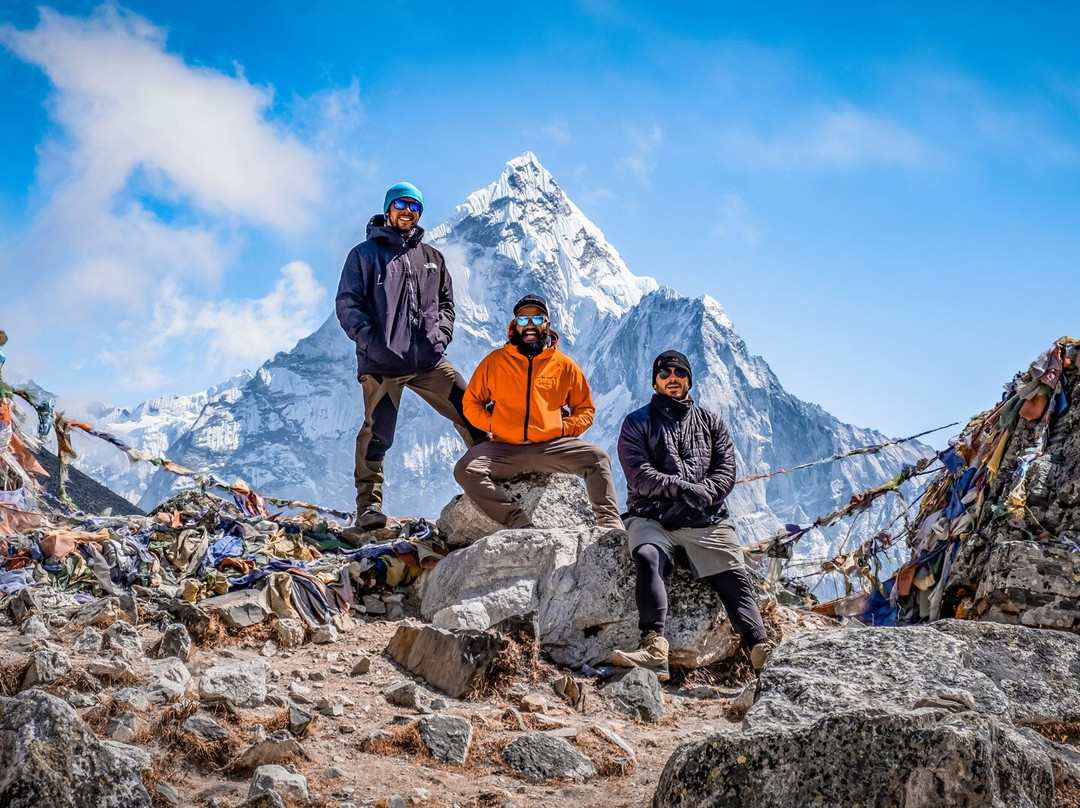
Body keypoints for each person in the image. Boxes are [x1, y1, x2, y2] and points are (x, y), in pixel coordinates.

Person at [611, 350, 772, 681]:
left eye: (680, 373)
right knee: (647, 555)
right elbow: (638, 474)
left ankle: (760, 648)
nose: (673, 378)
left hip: (705, 518)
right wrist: (683, 489)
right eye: (665, 373)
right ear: (655, 382)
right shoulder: (637, 422)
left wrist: (702, 495)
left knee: (733, 574)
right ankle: (654, 646)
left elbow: (725, 472)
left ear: (689, 380)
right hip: (653, 517)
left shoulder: (712, 423)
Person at [336, 182, 484, 531]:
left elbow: (446, 304)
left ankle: (493, 476)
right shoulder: (364, 254)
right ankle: (368, 508)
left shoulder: (432, 257)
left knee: (472, 409)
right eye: (401, 204)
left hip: (428, 361)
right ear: (388, 209)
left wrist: (439, 338)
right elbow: (347, 303)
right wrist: (373, 344)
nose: (408, 211)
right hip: (383, 364)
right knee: (377, 434)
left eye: (414, 206)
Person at [454, 294, 623, 531]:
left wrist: (563, 428)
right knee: (465, 469)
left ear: (547, 324)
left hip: (550, 446)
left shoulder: (564, 365)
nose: (530, 325)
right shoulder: (494, 362)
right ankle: (516, 520)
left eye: (537, 319)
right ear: (515, 325)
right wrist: (494, 425)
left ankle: (609, 525)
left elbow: (585, 409)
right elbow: (471, 403)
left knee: (597, 459)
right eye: (523, 320)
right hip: (505, 448)